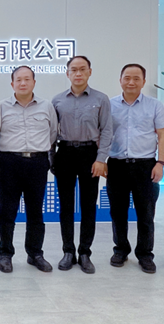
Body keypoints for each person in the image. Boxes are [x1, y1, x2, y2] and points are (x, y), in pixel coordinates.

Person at [0, 66, 57, 274]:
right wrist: (11, 151)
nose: (23, 83)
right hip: (9, 163)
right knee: (7, 211)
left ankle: (35, 253)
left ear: (34, 82)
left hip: (37, 163)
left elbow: (53, 134)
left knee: (35, 211)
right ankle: (5, 253)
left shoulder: (46, 106)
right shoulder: (1, 107)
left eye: (27, 79)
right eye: (18, 80)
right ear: (12, 84)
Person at [52, 55, 112, 274]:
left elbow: (107, 130)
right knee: (66, 205)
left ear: (89, 72)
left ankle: (85, 252)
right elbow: (51, 133)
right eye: (74, 70)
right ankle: (68, 251)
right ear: (67, 73)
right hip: (65, 152)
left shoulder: (101, 99)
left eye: (82, 69)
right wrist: (51, 158)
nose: (78, 73)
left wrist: (101, 159)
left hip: (90, 154)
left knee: (88, 205)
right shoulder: (57, 101)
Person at [107, 64, 164, 274]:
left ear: (143, 81)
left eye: (136, 78)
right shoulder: (110, 105)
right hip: (117, 164)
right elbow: (103, 134)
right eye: (127, 78)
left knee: (146, 213)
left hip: (146, 166)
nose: (131, 82)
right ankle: (120, 250)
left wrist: (160, 163)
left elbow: (163, 135)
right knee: (118, 212)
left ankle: (145, 254)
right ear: (120, 80)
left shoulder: (155, 105)